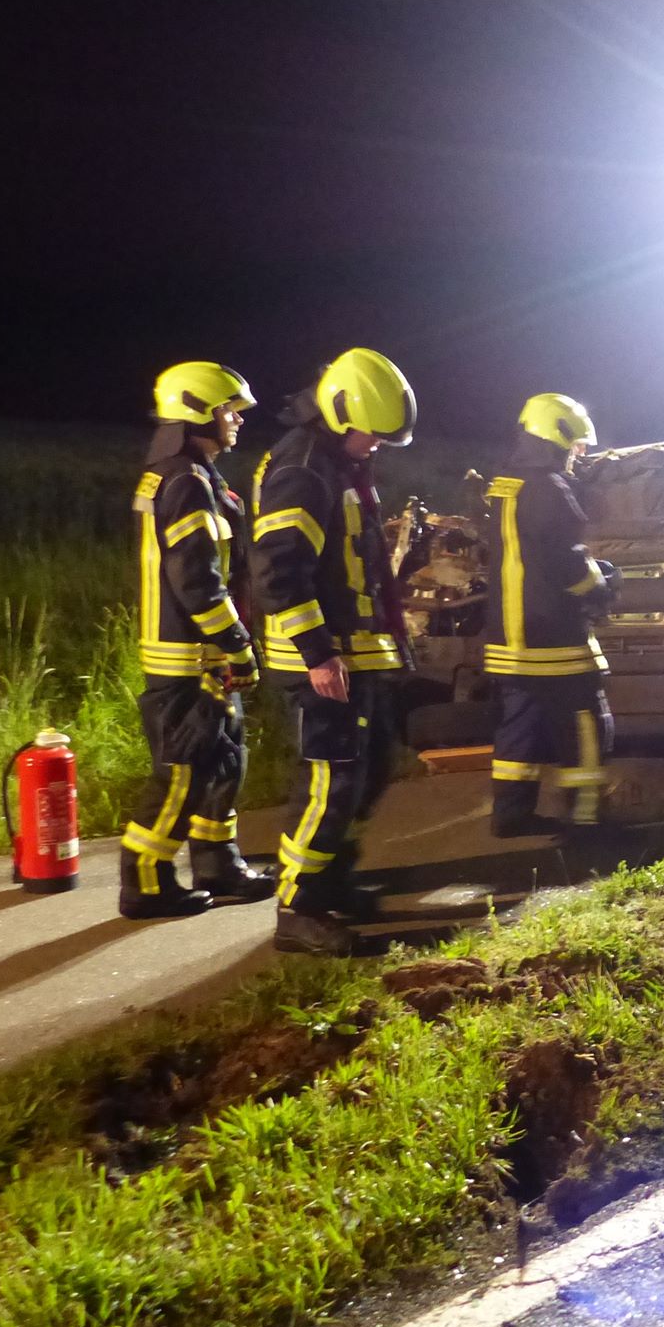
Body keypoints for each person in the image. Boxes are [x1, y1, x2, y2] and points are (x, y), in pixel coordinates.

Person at [251, 347, 417, 955]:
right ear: (341, 412)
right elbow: (278, 574)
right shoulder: (303, 470)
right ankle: (299, 908)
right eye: (373, 434)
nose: (377, 444)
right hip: (321, 662)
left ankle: (331, 879)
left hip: (350, 655)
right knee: (331, 781)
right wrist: (318, 653)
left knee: (363, 775)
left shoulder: (333, 462)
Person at [118, 362, 276, 920]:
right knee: (183, 771)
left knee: (224, 761)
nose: (237, 420)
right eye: (229, 410)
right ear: (197, 412)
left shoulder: (191, 474)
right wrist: (237, 645)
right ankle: (145, 879)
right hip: (188, 658)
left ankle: (217, 863)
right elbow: (196, 581)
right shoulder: (184, 480)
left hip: (202, 656)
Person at [484, 393, 615, 836]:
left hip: (508, 637)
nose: (578, 454)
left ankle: (510, 814)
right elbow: (568, 563)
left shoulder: (504, 483)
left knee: (521, 722)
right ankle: (586, 816)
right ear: (556, 437)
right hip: (552, 635)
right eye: (576, 445)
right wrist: (600, 587)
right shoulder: (553, 489)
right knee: (585, 718)